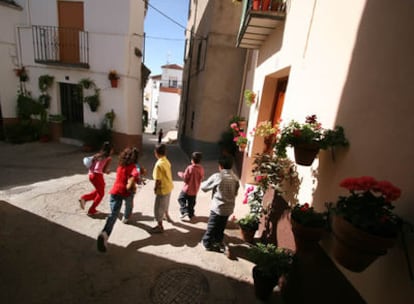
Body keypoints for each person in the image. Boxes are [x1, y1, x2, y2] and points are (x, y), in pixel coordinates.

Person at [97, 147, 141, 252]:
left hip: (115, 192)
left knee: (113, 215)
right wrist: (137, 179)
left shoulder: (120, 166)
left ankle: (105, 233)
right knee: (129, 205)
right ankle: (126, 218)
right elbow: (135, 175)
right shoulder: (134, 167)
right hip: (126, 192)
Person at [200, 156, 239, 252]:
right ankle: (218, 240)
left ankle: (207, 243)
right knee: (221, 225)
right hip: (229, 208)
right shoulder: (235, 178)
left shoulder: (218, 176)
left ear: (220, 166)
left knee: (212, 225)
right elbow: (235, 193)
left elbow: (204, 187)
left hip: (218, 207)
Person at [79, 141, 113, 215]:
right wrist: (107, 171)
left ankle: (84, 198)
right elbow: (103, 170)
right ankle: (92, 210)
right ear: (110, 150)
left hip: (91, 175)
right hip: (97, 175)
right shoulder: (108, 158)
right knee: (101, 194)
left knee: (99, 190)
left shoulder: (97, 155)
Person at [151, 143, 173, 233]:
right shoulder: (166, 160)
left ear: (156, 152)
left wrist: (155, 188)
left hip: (162, 189)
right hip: (169, 186)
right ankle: (166, 215)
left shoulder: (158, 164)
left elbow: (158, 180)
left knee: (158, 207)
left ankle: (159, 225)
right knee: (166, 203)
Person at [177, 152, 204, 221]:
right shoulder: (201, 169)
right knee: (191, 203)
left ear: (192, 160)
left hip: (187, 189)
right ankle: (191, 215)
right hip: (195, 190)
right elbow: (201, 177)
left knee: (180, 199)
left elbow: (185, 178)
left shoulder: (190, 168)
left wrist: (180, 174)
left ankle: (184, 210)